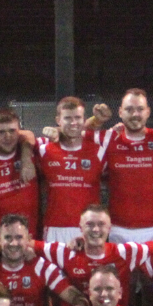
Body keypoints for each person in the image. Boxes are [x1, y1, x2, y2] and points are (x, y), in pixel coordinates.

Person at [98, 89, 153, 242]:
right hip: (119, 230)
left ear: (148, 112)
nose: (135, 114)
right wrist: (95, 121)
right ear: (120, 112)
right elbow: (75, 136)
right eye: (129, 109)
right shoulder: (108, 139)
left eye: (140, 109)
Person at [35, 97, 108, 244]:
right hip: (55, 227)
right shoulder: (43, 150)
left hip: (89, 229)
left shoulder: (99, 151)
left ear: (84, 119)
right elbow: (24, 139)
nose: (73, 123)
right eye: (68, 118)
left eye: (78, 118)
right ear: (58, 120)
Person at [0, 109, 40, 248]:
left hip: (29, 238)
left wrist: (26, 158)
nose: (8, 136)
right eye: (1, 132)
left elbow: (29, 135)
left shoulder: (34, 151)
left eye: (12, 131)